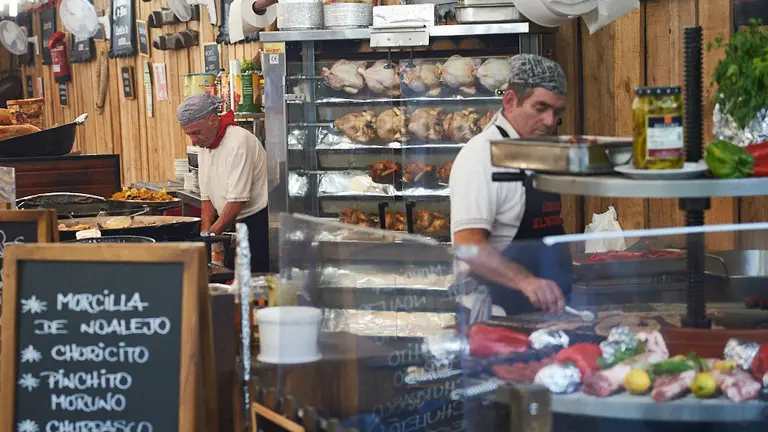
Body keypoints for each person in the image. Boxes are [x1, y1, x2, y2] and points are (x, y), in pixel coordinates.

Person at [449, 54, 570, 319]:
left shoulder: (533, 151)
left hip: (543, 310)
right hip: (497, 315)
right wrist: (526, 281)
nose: (550, 122)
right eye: (541, 108)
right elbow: (467, 247)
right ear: (511, 101)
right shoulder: (480, 156)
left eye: (557, 113)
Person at [176, 93, 269, 273]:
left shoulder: (238, 141)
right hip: (229, 222)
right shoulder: (205, 144)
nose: (193, 140)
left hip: (256, 222)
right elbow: (206, 197)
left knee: (251, 286)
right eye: (188, 134)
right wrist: (207, 238)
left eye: (196, 132)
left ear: (213, 120)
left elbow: (237, 201)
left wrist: (211, 235)